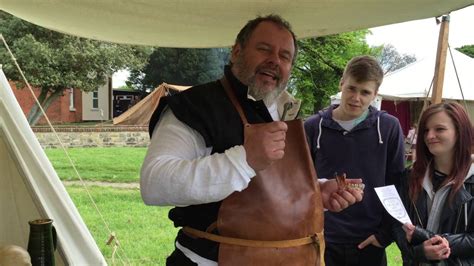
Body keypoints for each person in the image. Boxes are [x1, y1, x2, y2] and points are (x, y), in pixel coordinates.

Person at [140, 15, 364, 265]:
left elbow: (271, 192)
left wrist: (315, 194)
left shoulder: (282, 109)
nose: (274, 61)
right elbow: (154, 184)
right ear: (236, 52)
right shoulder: (196, 105)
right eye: (264, 49)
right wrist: (244, 159)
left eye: (284, 56)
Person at [304, 55, 406, 266]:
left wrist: (385, 234)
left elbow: (397, 184)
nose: (356, 98)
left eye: (365, 92)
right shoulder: (313, 127)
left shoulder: (388, 127)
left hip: (368, 241)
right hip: (322, 239)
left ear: (375, 94)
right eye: (351, 88)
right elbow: (301, 183)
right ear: (342, 83)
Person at [392, 102, 474, 265]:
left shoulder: (471, 180)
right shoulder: (409, 178)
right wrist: (419, 252)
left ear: (460, 132)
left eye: (439, 129)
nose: (430, 136)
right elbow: (397, 227)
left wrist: (439, 242)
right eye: (426, 130)